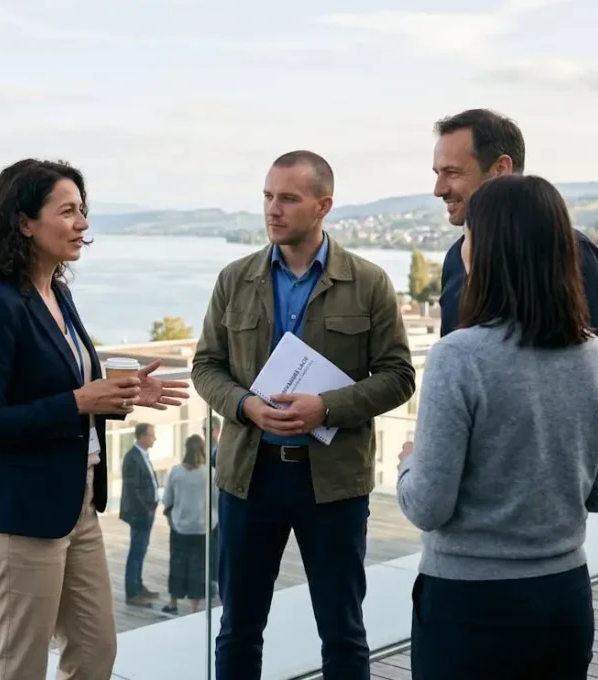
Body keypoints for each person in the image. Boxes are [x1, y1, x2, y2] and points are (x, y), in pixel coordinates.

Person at [0, 158, 190, 680]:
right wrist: (80, 402)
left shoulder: (57, 292)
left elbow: (65, 388)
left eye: (82, 210)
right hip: (18, 516)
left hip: (76, 504)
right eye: (67, 211)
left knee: (94, 651)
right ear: (24, 223)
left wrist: (122, 392)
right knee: (19, 667)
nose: (83, 223)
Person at [192, 150, 415, 679]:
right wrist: (245, 406)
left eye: (288, 198)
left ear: (323, 206)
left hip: (333, 483)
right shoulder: (234, 279)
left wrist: (327, 407)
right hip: (248, 478)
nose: (273, 209)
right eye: (268, 196)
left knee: (342, 631)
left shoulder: (369, 282)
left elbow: (399, 375)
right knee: (238, 629)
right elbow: (205, 366)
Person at [397, 174, 598, 679]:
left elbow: (427, 506)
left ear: (487, 252)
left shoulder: (458, 357)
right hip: (564, 601)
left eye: (469, 237)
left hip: (469, 608)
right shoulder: (596, 357)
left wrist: (408, 462)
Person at [431, 108, 598, 362]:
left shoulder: (573, 253)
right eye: (438, 173)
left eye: (452, 173)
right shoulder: (456, 258)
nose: (438, 189)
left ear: (500, 169)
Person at [161, 434, 216, 615]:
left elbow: (167, 499)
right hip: (203, 528)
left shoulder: (176, 472)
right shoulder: (210, 472)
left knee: (177, 565)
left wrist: (171, 520)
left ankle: (173, 603)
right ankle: (194, 607)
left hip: (180, 527)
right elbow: (218, 500)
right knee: (199, 567)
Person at [119, 422, 159, 607]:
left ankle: (139, 585)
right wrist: (146, 510)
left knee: (141, 549)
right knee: (136, 551)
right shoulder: (132, 457)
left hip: (148, 511)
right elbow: (132, 489)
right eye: (152, 435)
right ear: (143, 436)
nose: (154, 438)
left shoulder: (143, 455)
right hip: (140, 513)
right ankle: (132, 593)